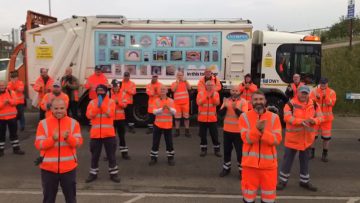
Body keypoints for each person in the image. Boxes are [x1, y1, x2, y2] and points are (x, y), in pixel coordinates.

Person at [34, 98, 83, 203]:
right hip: (48, 169)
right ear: (51, 108)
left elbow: (78, 143)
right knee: (48, 200)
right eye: (56, 108)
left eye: (61, 108)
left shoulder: (74, 123)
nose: (59, 111)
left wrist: (68, 138)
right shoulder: (43, 124)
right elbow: (39, 144)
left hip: (69, 168)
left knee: (71, 199)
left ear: (66, 108)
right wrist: (53, 139)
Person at [277, 85, 323, 192]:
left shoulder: (315, 104)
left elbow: (321, 117)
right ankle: (282, 181)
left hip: (307, 139)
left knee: (305, 161)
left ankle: (304, 181)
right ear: (297, 93)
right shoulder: (290, 104)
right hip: (292, 139)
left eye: (306, 93)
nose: (304, 95)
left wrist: (314, 121)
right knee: (287, 160)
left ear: (308, 94)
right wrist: (301, 121)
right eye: (302, 93)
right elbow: (287, 118)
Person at [239, 90, 282, 203]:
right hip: (249, 166)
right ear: (251, 102)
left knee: (268, 199)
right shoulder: (244, 117)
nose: (259, 102)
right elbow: (246, 138)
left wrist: (263, 133)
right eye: (256, 99)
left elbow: (277, 140)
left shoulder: (274, 118)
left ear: (265, 101)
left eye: (261, 99)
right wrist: (257, 129)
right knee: (248, 199)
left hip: (269, 167)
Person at [85, 84, 120, 183]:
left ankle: (114, 174)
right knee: (94, 155)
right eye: (98, 91)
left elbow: (110, 114)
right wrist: (97, 107)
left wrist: (102, 105)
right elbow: (89, 115)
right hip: (95, 134)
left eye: (102, 91)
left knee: (111, 155)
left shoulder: (111, 102)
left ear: (106, 91)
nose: (100, 92)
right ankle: (93, 173)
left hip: (109, 134)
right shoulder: (92, 102)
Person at [218, 85, 248, 178]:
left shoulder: (243, 102)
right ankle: (226, 168)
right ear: (230, 91)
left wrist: (235, 109)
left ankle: (242, 170)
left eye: (236, 90)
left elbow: (244, 117)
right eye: (233, 90)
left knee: (240, 153)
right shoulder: (226, 101)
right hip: (227, 131)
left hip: (238, 132)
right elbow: (220, 115)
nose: (234, 92)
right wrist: (225, 107)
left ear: (239, 92)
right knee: (227, 151)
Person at [309, 77, 336, 162]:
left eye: (324, 83)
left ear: (327, 83)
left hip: (327, 120)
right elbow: (310, 103)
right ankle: (311, 152)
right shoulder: (314, 91)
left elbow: (331, 103)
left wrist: (326, 96)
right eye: (322, 83)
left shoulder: (331, 92)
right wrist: (316, 98)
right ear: (320, 83)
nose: (323, 85)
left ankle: (325, 153)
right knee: (313, 136)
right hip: (316, 118)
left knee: (326, 138)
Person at [149, 85, 176, 166]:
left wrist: (169, 108)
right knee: (155, 142)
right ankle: (153, 158)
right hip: (158, 125)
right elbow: (154, 112)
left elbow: (174, 112)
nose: (163, 91)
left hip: (168, 125)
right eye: (161, 90)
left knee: (169, 143)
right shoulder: (156, 100)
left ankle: (170, 158)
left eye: (164, 89)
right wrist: (162, 109)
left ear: (167, 91)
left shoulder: (171, 101)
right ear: (159, 92)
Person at [0, 80, 25, 157]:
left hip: (12, 117)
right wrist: (4, 103)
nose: (2, 87)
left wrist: (9, 101)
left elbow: (16, 102)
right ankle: (1, 151)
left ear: (6, 85)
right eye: (0, 86)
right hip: (1, 118)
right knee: (1, 135)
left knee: (14, 134)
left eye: (3, 85)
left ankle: (16, 149)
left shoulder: (11, 92)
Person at [196, 80, 221, 157]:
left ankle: (217, 150)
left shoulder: (216, 93)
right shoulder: (200, 93)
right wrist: (206, 97)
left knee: (215, 136)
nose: (210, 86)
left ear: (213, 86)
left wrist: (212, 96)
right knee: (203, 136)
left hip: (212, 119)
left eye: (211, 85)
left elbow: (217, 103)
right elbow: (199, 103)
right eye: (208, 85)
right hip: (202, 119)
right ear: (205, 86)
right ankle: (203, 150)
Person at [111, 79, 130, 160]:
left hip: (120, 119)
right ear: (112, 86)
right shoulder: (108, 94)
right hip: (111, 119)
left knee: (122, 136)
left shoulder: (123, 94)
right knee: (111, 138)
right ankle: (110, 154)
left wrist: (118, 102)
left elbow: (125, 105)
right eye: (114, 86)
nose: (116, 88)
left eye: (117, 86)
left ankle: (124, 153)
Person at [171, 71, 191, 137]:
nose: (180, 76)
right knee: (177, 118)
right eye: (178, 75)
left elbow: (189, 88)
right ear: (176, 76)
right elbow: (173, 90)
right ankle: (177, 131)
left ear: (183, 76)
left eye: (181, 75)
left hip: (185, 103)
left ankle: (187, 131)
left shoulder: (185, 82)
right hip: (177, 104)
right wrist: (177, 82)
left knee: (186, 118)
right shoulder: (174, 83)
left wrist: (186, 81)